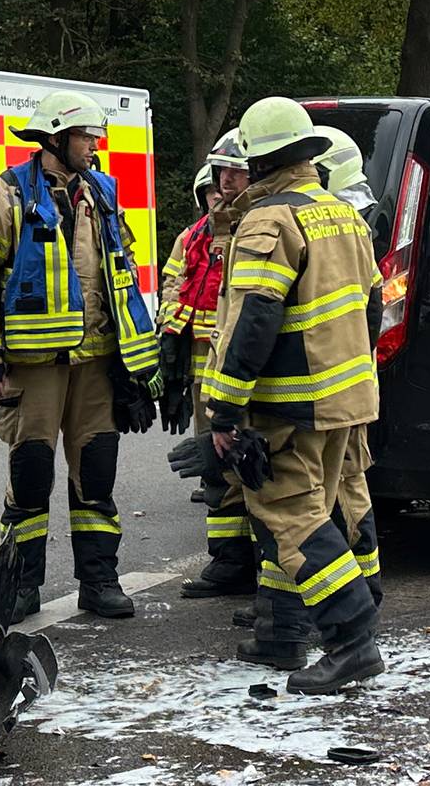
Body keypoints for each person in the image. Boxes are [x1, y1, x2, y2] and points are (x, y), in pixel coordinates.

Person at [0, 90, 164, 623]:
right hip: (35, 364)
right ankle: (22, 585)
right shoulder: (6, 195)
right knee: (30, 476)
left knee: (96, 473)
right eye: (86, 137)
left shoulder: (100, 192)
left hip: (97, 360)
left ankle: (99, 581)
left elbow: (121, 273)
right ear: (54, 137)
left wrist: (136, 366)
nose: (96, 146)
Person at [211, 100, 385, 693]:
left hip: (292, 402)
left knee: (291, 515)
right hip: (347, 398)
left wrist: (225, 409)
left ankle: (351, 641)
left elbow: (252, 321)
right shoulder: (344, 215)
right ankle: (282, 635)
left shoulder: (269, 220)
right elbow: (373, 305)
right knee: (316, 510)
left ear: (259, 158)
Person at [160, 130, 253, 600]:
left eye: (229, 180)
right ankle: (229, 560)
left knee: (253, 467)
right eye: (215, 183)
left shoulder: (256, 230)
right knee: (216, 468)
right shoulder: (191, 240)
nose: (221, 192)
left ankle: (264, 569)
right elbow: (173, 288)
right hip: (204, 371)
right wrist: (170, 346)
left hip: (246, 372)